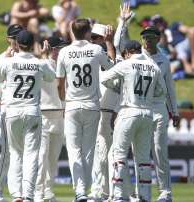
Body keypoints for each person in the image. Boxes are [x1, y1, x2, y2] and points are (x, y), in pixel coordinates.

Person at [101, 40, 167, 202]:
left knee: (119, 154)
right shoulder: (154, 66)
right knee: (144, 158)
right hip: (147, 113)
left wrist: (119, 87)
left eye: (125, 54)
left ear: (129, 52)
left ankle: (118, 195)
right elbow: (162, 91)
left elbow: (104, 78)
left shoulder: (126, 64)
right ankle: (145, 196)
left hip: (128, 112)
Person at [56, 19, 114, 202]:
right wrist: (109, 42)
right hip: (91, 105)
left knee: (73, 150)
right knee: (88, 150)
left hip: (72, 105)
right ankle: (83, 190)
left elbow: (59, 83)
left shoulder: (64, 52)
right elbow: (111, 67)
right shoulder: (96, 50)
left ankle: (80, 191)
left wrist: (64, 102)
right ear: (88, 32)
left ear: (72, 32)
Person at [0, 30, 55, 202]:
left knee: (15, 154)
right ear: (32, 44)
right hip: (32, 111)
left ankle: (17, 195)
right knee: (31, 154)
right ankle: (28, 195)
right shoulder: (39, 63)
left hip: (12, 112)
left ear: (17, 44)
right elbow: (51, 77)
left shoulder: (8, 62)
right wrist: (44, 56)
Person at [140, 26, 180, 202]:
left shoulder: (164, 60)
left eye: (151, 38)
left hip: (158, 108)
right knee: (140, 153)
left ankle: (165, 193)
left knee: (159, 151)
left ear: (158, 39)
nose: (147, 41)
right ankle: (142, 192)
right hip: (139, 108)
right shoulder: (136, 57)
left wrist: (175, 112)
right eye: (145, 38)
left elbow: (170, 89)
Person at [0, 24, 24, 202]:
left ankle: (23, 192)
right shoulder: (3, 57)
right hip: (8, 108)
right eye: (14, 37)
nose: (17, 40)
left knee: (25, 154)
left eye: (20, 36)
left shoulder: (28, 56)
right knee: (8, 152)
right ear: (8, 39)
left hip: (26, 109)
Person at [34, 36, 66, 202]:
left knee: (53, 157)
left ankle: (48, 190)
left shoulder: (65, 65)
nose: (61, 51)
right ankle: (38, 192)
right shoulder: (41, 64)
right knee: (42, 156)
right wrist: (43, 56)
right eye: (59, 48)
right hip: (44, 113)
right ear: (51, 49)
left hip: (60, 114)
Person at [89, 23, 117, 201]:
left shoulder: (105, 55)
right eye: (91, 37)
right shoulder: (91, 55)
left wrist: (110, 43)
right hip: (94, 109)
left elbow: (112, 68)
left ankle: (106, 191)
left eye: (95, 37)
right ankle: (101, 190)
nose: (92, 40)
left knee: (106, 153)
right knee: (98, 153)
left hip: (106, 111)